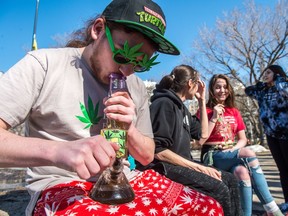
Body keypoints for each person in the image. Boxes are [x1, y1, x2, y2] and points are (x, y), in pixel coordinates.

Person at [0, 0, 224, 215]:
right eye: (122, 55)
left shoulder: (135, 85)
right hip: (62, 184)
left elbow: (146, 156)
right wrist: (59, 151)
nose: (127, 71)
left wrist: (131, 129)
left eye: (139, 63)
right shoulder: (45, 64)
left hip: (126, 179)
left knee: (209, 206)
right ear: (98, 29)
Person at [137, 65, 241, 215]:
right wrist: (199, 167)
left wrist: (201, 101)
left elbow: (203, 135)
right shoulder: (164, 104)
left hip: (180, 165)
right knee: (220, 188)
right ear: (190, 84)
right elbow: (158, 151)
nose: (199, 87)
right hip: (163, 166)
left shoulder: (182, 108)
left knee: (230, 180)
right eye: (197, 83)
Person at [200, 74, 283, 216]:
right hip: (213, 155)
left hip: (231, 152)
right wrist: (213, 117)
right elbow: (200, 140)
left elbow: (243, 139)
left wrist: (233, 149)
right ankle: (272, 209)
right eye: (218, 87)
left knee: (242, 173)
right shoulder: (205, 110)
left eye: (225, 87)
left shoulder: (234, 111)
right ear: (212, 90)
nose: (222, 90)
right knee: (249, 153)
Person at [245, 65, 288, 214]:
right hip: (271, 135)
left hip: (286, 132)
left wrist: (279, 80)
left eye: (268, 72)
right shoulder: (263, 91)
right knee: (283, 170)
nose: (265, 75)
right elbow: (248, 91)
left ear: (276, 73)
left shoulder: (283, 86)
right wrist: (261, 85)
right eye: (264, 73)